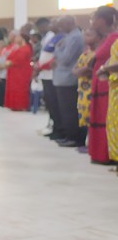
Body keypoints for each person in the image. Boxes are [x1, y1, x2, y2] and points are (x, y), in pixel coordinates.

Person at [87, 7, 118, 165]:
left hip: (108, 85)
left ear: (102, 20)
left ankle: (106, 154)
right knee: (100, 116)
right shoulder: (107, 37)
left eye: (94, 18)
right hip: (101, 82)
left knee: (106, 118)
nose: (92, 22)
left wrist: (104, 68)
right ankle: (99, 152)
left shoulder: (114, 37)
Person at [51, 16, 84, 148]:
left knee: (70, 111)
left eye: (61, 25)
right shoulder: (69, 36)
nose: (60, 28)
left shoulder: (75, 37)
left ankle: (73, 137)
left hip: (68, 79)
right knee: (64, 110)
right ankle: (68, 135)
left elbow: (65, 59)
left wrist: (58, 49)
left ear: (68, 23)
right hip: (62, 78)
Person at [75, 28, 101, 153]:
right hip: (82, 91)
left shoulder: (97, 54)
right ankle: (88, 143)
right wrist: (81, 71)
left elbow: (90, 71)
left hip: (92, 89)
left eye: (89, 35)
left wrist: (81, 70)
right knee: (84, 116)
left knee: (92, 116)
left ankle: (93, 144)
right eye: (85, 35)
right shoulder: (85, 54)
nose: (85, 37)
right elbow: (75, 70)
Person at [36, 19, 61, 137]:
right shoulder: (47, 37)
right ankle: (53, 126)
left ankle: (58, 128)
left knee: (54, 103)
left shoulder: (54, 36)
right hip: (45, 74)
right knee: (49, 103)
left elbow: (55, 57)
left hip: (51, 74)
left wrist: (41, 66)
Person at [3, 32, 33, 112]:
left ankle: (20, 105)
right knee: (13, 88)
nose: (15, 39)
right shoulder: (18, 48)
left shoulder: (25, 48)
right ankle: (13, 105)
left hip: (21, 72)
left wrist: (8, 63)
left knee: (20, 89)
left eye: (17, 37)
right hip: (14, 72)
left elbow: (19, 60)